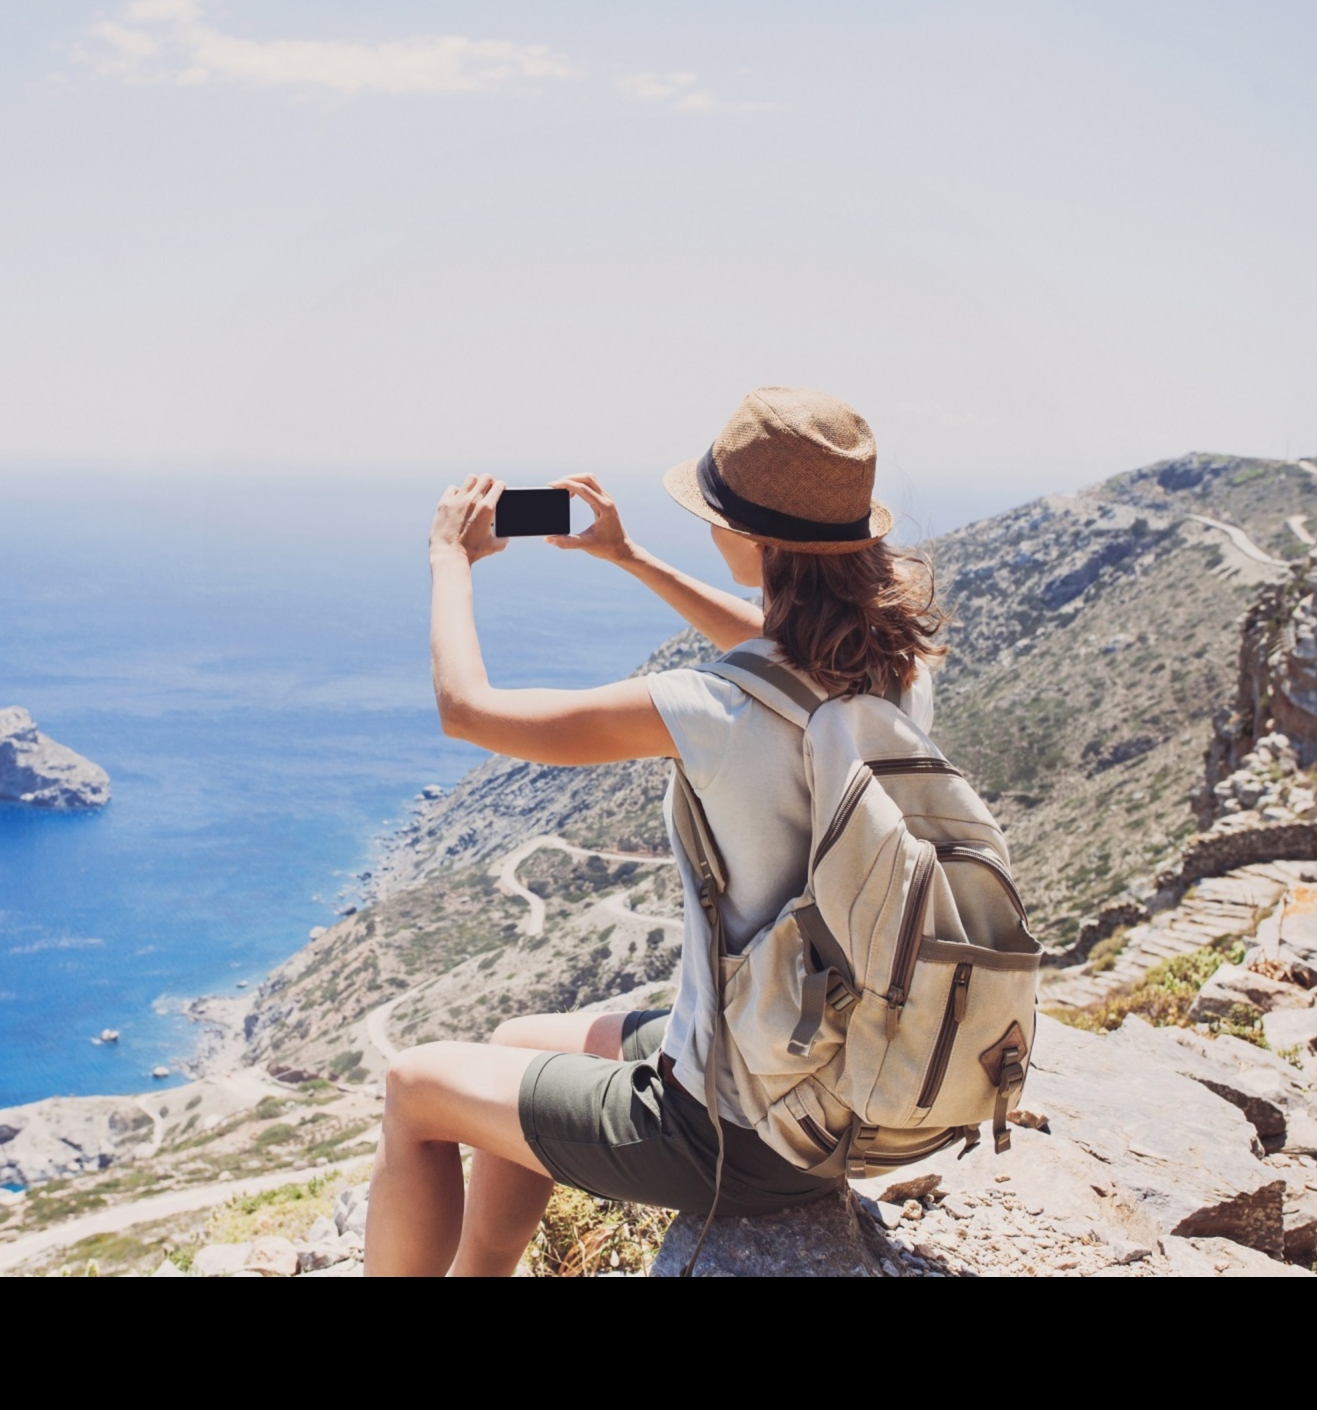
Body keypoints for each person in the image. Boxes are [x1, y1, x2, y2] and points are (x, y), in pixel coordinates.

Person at [364, 386, 950, 1277]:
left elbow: (469, 711)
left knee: (414, 1087)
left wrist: (451, 559)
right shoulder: (894, 664)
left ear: (750, 543)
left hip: (744, 1134)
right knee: (519, 1038)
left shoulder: (713, 708)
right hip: (858, 1081)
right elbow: (774, 641)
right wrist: (627, 555)